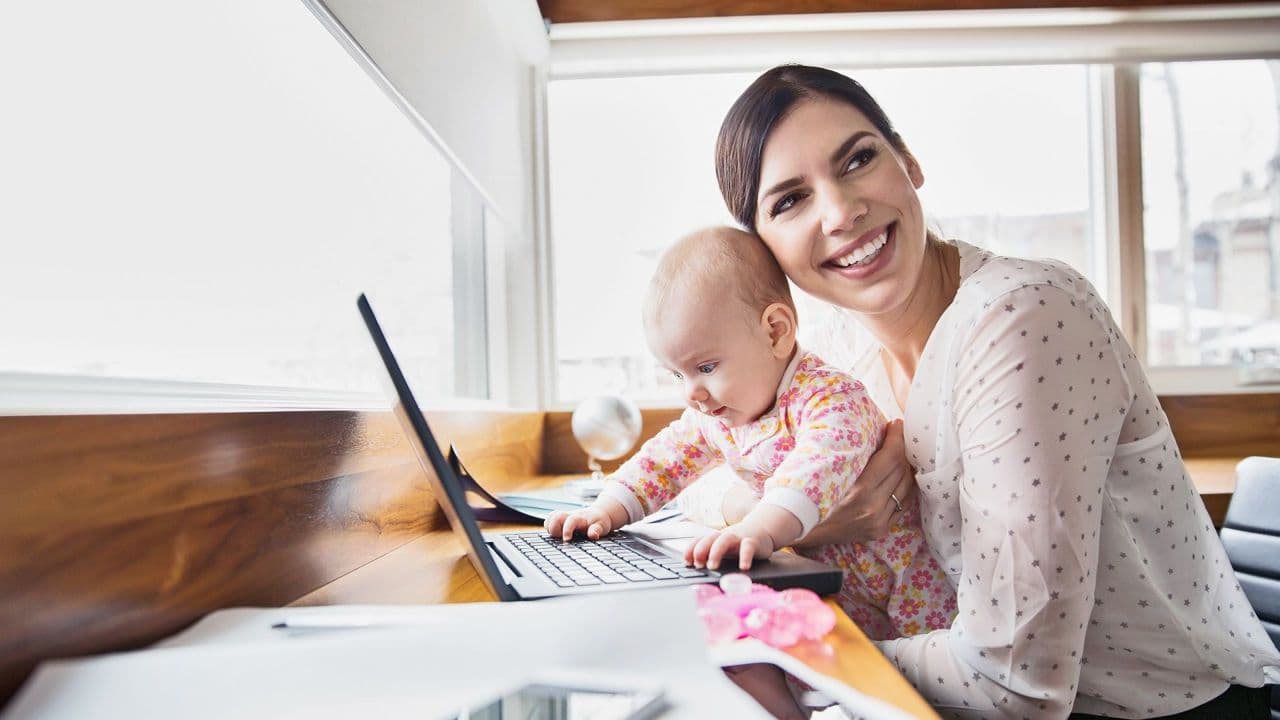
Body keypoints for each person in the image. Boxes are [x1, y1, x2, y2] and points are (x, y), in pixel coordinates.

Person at [705, 63, 1279, 719]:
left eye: (858, 159)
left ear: (909, 161)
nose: (841, 211)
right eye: (790, 201)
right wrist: (817, 514)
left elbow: (1018, 686)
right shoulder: (840, 354)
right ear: (767, 251)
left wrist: (801, 653)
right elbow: (718, 489)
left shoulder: (1022, 317)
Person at [544, 225, 957, 641]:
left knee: (908, 686)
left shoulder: (829, 397)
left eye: (705, 367)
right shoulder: (717, 416)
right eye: (677, 374)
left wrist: (758, 528)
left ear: (776, 332)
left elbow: (815, 468)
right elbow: (663, 462)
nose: (692, 393)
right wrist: (605, 510)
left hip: (906, 581)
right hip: (826, 582)